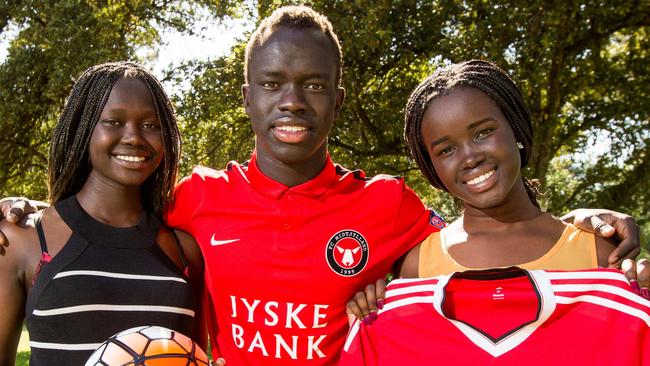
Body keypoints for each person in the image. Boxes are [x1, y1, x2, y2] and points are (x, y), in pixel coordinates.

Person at [0, 7, 642, 366]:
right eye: (274, 83)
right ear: (246, 96)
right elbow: (110, 204)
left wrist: (581, 223)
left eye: (312, 84)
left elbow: (486, 238)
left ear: (337, 98)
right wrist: (29, 212)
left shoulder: (388, 207)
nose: (292, 101)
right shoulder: (195, 199)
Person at [344, 60, 650, 328]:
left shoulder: (599, 253)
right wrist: (367, 311)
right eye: (446, 149)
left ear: (515, 128)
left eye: (483, 133)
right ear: (431, 166)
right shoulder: (417, 266)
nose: (470, 157)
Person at [0, 62, 209, 365]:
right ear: (83, 130)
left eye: (151, 125)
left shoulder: (184, 251)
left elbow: (194, 357)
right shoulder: (22, 239)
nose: (134, 136)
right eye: (113, 121)